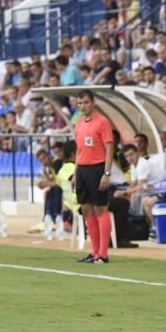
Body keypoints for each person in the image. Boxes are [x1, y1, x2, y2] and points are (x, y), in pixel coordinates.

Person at [72, 89, 115, 264]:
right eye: (80, 103)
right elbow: (79, 150)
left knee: (100, 209)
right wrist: (76, 173)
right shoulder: (79, 123)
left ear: (93, 102)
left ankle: (103, 254)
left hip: (97, 169)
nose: (83, 106)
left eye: (86, 102)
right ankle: (94, 252)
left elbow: (110, 148)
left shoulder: (102, 122)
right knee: (87, 209)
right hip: (82, 169)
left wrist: (106, 173)